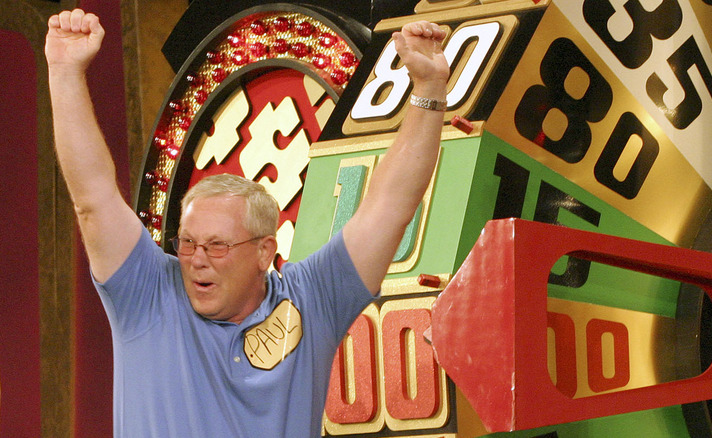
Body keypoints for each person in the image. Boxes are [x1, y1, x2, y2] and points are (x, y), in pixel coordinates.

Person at [45, 7, 449, 438]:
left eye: (217, 246)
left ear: (264, 252)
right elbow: (92, 197)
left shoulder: (313, 299)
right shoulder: (146, 290)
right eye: (187, 243)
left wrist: (428, 88)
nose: (196, 260)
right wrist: (65, 73)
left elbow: (392, 203)